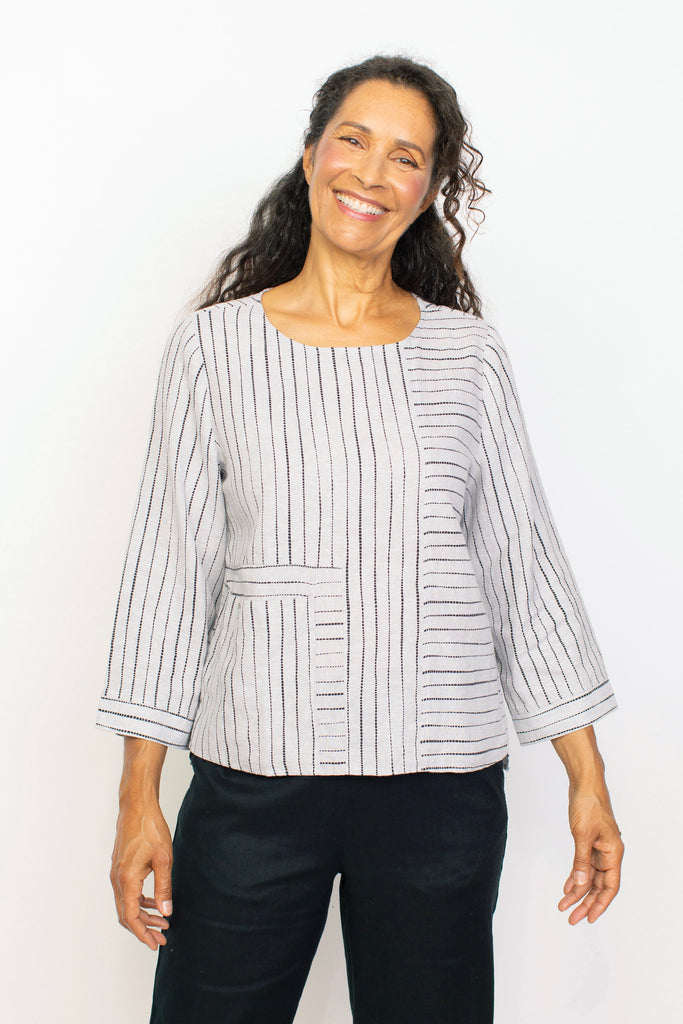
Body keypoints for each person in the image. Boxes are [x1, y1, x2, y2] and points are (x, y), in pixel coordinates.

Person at [98, 54, 624, 1024]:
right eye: (353, 140)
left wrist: (585, 777)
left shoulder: (467, 355)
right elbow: (170, 572)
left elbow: (522, 564)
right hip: (255, 780)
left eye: (406, 157)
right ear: (310, 157)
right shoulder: (214, 348)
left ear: (427, 192)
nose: (372, 172)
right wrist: (139, 796)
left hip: (439, 792)